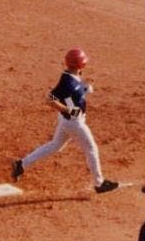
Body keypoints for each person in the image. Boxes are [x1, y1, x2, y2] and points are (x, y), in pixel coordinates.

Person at [10, 47, 119, 195]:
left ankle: (21, 164)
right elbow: (50, 99)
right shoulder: (66, 82)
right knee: (91, 149)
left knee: (55, 145)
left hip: (67, 121)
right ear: (79, 64)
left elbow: (73, 94)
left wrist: (85, 87)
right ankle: (99, 184)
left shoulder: (74, 75)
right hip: (74, 122)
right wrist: (67, 110)